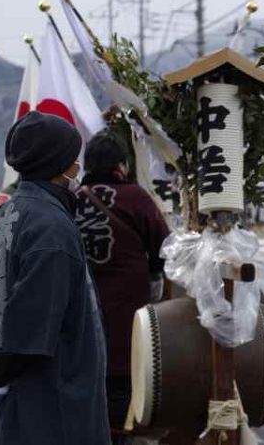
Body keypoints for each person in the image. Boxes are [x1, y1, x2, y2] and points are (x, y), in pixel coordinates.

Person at [0, 111, 110, 444]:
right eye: (75, 158)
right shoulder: (51, 230)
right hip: (52, 406)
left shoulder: (8, 212)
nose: (78, 165)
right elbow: (30, 334)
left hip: (20, 403)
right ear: (61, 165)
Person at [74, 130, 170, 441]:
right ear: (121, 164)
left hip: (80, 311)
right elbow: (163, 248)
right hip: (128, 313)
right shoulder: (136, 197)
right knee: (122, 381)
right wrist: (155, 279)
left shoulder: (71, 199)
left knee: (87, 378)